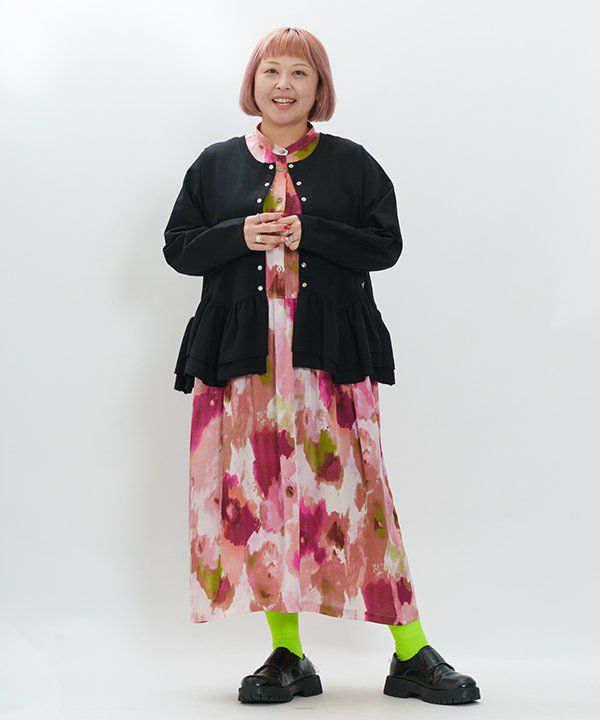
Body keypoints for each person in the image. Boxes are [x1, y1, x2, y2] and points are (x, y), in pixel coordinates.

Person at [162, 26, 481, 706]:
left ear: (319, 88)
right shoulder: (214, 166)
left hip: (329, 362)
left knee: (361, 500)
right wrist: (238, 235)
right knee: (260, 502)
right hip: (244, 364)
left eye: (299, 74)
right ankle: (288, 654)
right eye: (271, 71)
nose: (283, 84)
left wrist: (315, 233)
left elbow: (384, 246)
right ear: (253, 82)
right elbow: (179, 248)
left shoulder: (353, 164)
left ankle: (411, 653)